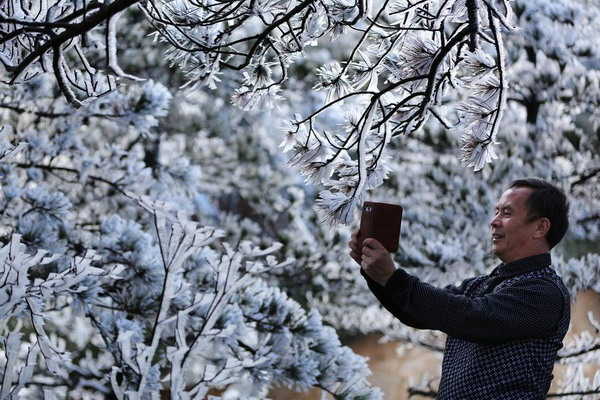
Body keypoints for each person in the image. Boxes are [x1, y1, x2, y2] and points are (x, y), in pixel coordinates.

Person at [348, 178, 571, 399]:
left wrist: (392, 277)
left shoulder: (544, 292)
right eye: (496, 211)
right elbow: (418, 313)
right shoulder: (479, 285)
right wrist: (376, 274)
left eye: (507, 213)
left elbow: (473, 317)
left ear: (540, 227)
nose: (494, 221)